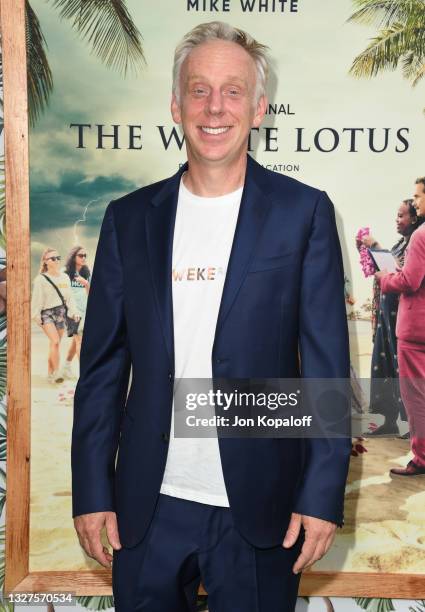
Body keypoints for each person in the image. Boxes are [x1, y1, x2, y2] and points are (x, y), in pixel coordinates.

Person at [71, 22, 351, 612]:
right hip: (146, 507)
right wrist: (92, 492)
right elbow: (100, 371)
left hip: (263, 509)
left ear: (259, 108)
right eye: (199, 90)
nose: (214, 107)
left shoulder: (303, 214)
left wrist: (322, 495)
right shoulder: (128, 219)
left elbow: (326, 365)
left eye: (232, 91)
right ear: (176, 105)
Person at [358, 200, 423, 436]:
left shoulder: (417, 242)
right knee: (383, 366)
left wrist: (375, 245)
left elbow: (404, 275)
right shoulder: (400, 244)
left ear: (414, 219)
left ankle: (412, 425)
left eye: (401, 216)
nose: (397, 220)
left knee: (402, 372)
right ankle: (388, 420)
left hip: (403, 318)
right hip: (387, 317)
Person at [376, 177, 425, 476]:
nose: (416, 202)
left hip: (416, 329)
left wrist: (385, 279)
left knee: (416, 396)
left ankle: (421, 459)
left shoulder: (420, 236)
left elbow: (409, 281)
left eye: (419, 196)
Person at [31, 248, 81, 384]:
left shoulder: (64, 277)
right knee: (55, 341)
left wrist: (74, 312)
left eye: (58, 257)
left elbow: (69, 298)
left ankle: (50, 374)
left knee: (54, 345)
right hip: (46, 313)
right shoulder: (40, 279)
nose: (57, 260)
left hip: (61, 313)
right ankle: (57, 373)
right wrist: (36, 316)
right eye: (53, 258)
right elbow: (36, 300)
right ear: (46, 262)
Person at [62, 246, 91, 378]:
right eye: (80, 255)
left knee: (76, 341)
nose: (83, 258)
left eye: (85, 255)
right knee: (80, 340)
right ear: (73, 257)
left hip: (85, 310)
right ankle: (84, 373)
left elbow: (91, 294)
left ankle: (66, 366)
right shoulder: (65, 273)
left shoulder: (86, 272)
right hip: (72, 311)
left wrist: (85, 283)